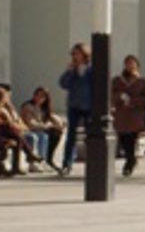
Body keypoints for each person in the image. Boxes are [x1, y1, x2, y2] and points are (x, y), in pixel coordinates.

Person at [112, 55, 145, 178]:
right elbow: (110, 94)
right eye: (127, 63)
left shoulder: (142, 82)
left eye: (132, 63)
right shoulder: (117, 80)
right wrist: (120, 97)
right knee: (123, 138)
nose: (130, 66)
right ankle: (130, 159)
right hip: (121, 114)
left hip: (135, 115)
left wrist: (133, 101)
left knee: (131, 138)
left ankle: (129, 162)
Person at [56, 43, 92, 176]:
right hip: (74, 105)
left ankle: (92, 162)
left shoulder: (91, 69)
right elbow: (63, 84)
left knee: (90, 135)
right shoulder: (73, 70)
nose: (74, 56)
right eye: (72, 54)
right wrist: (69, 71)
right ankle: (67, 164)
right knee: (71, 136)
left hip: (89, 106)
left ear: (84, 54)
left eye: (76, 53)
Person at [21, 87, 63, 171]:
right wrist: (46, 127)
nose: (40, 98)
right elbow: (30, 123)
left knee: (57, 133)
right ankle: (41, 160)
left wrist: (57, 122)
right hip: (31, 129)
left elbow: (51, 118)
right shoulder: (28, 107)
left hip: (41, 128)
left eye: (43, 97)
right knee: (45, 135)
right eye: (38, 95)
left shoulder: (43, 108)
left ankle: (49, 159)